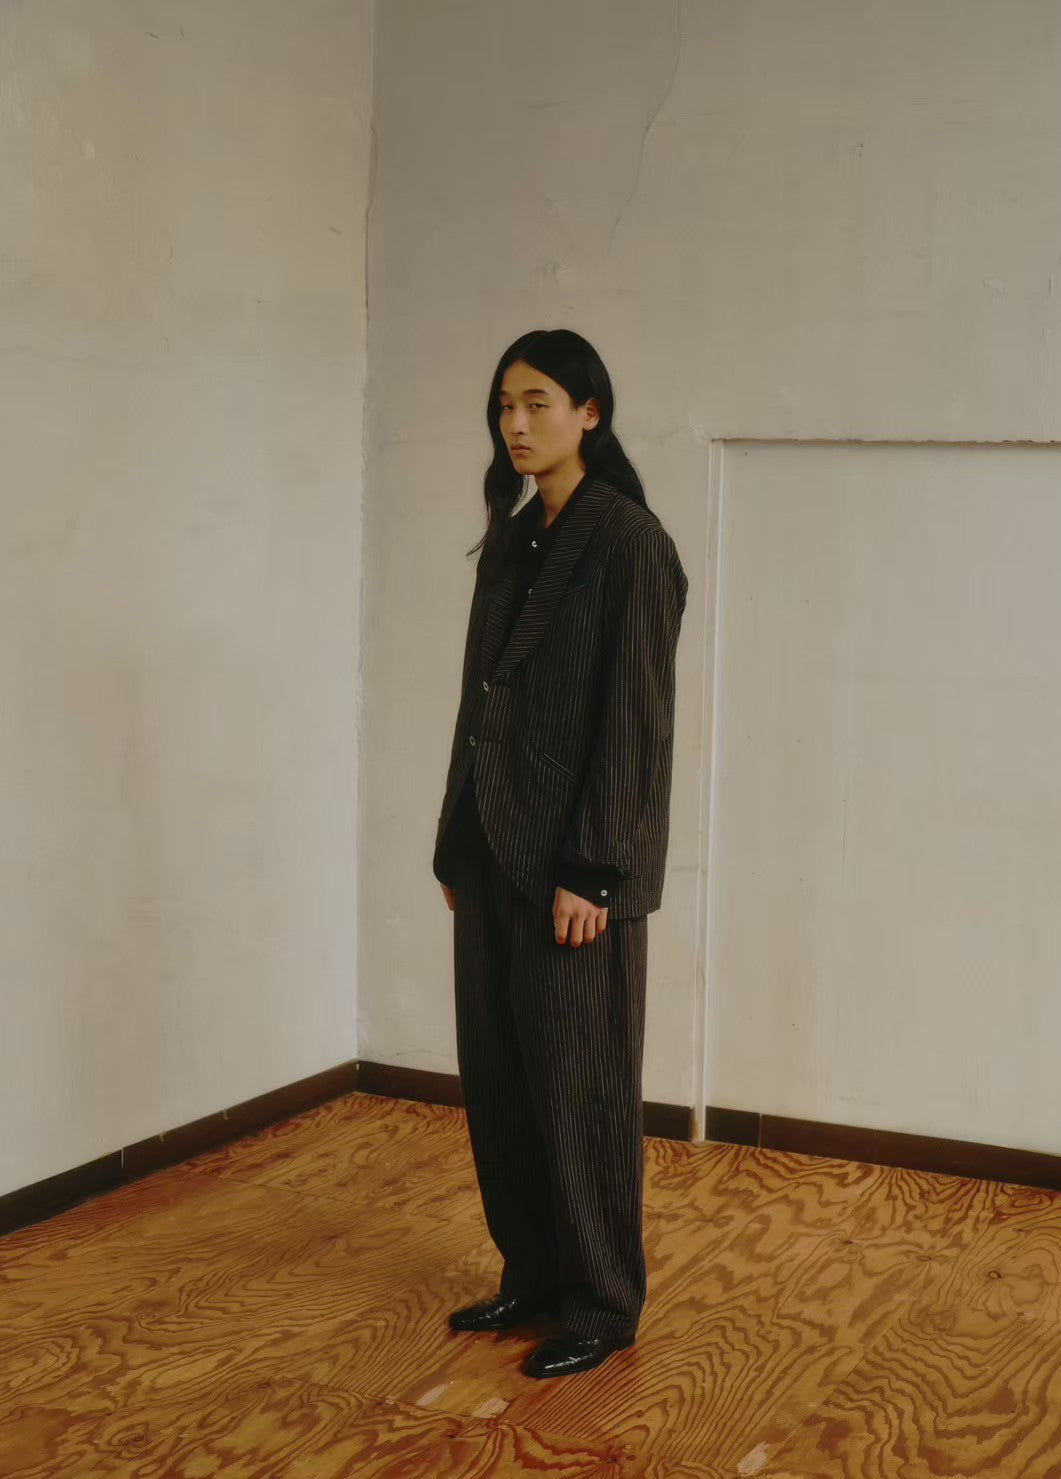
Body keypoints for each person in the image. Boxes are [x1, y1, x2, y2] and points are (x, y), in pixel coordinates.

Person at [432, 329, 688, 1379]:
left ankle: (600, 1302)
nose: (516, 423)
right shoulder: (510, 538)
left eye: (537, 402)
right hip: (489, 854)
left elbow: (637, 722)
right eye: (505, 405)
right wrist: (454, 846)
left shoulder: (628, 543)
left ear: (590, 412)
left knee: (581, 1090)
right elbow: (479, 705)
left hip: (573, 870)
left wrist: (595, 870)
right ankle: (533, 1274)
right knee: (499, 1081)